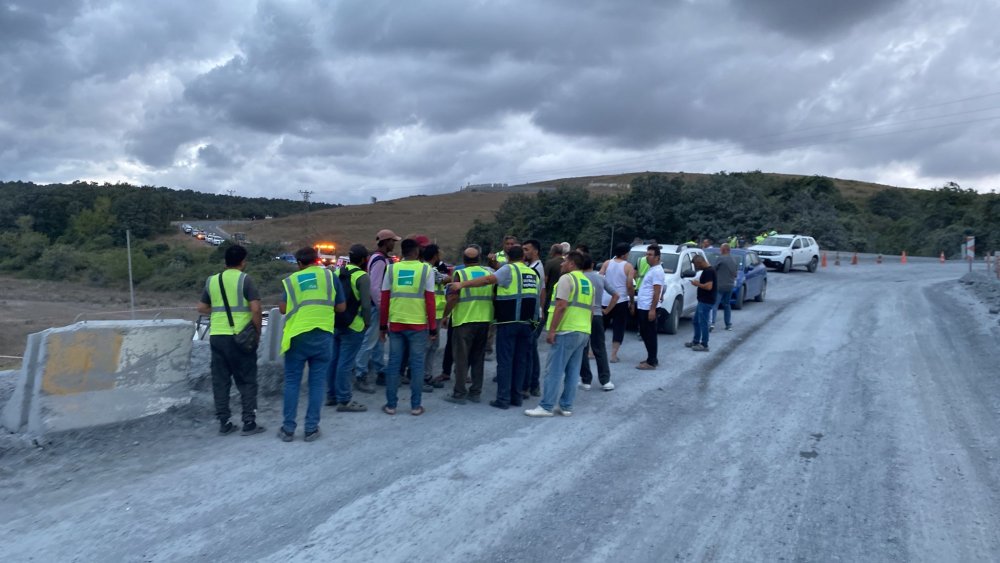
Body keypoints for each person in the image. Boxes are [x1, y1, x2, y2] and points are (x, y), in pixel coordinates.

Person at [450, 244, 539, 409]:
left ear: (508, 258)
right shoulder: (532, 273)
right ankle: (516, 397)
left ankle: (503, 399)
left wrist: (462, 285)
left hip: (508, 322)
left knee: (505, 361)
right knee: (520, 361)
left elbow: (487, 280)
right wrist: (535, 322)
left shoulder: (509, 270)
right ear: (523, 257)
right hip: (527, 323)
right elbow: (537, 297)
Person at [278, 246, 346, 442]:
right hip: (323, 335)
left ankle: (288, 429)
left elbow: (282, 309)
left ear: (299, 263)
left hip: (297, 336)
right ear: (317, 260)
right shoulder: (330, 277)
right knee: (317, 384)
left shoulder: (291, 281)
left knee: (292, 382)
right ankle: (311, 429)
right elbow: (341, 307)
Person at [197, 244, 265, 436]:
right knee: (247, 380)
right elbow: (256, 309)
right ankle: (249, 422)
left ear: (225, 261)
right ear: (243, 262)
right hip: (240, 337)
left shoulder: (212, 280)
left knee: (220, 380)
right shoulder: (245, 280)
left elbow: (201, 307)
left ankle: (224, 422)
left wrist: (218, 312)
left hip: (217, 336)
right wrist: (257, 333)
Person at [525, 250, 592, 417]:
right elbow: (590, 310)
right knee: (573, 370)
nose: (561, 264)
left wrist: (552, 330)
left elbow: (561, 306)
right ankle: (566, 406)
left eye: (564, 262)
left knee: (554, 370)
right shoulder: (586, 282)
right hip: (583, 330)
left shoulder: (566, 279)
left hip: (566, 330)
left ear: (571, 264)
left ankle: (546, 406)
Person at [379, 239, 437, 416]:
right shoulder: (426, 270)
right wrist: (433, 328)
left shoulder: (392, 269)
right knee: (417, 365)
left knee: (394, 364)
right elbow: (430, 300)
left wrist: (382, 326)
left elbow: (385, 299)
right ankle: (415, 406)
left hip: (396, 323)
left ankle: (391, 405)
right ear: (417, 251)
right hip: (418, 325)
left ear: (402, 251)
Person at [441, 247, 493, 404]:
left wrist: (445, 315)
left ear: (463, 260)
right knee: (478, 357)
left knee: (461, 358)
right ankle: (475, 392)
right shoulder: (488, 274)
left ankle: (459, 393)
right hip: (484, 320)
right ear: (480, 258)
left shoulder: (460, 274)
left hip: (464, 321)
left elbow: (452, 298)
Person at [326, 244, 372, 412]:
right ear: (364, 259)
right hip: (354, 325)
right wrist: (367, 322)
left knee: (334, 360)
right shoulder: (362, 277)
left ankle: (331, 395)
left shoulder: (337, 273)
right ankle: (344, 400)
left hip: (336, 323)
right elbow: (366, 305)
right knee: (346, 363)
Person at [355, 229, 399, 390]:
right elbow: (375, 287)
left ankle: (380, 371)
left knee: (378, 341)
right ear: (386, 241)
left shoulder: (379, 258)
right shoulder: (380, 260)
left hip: (376, 306)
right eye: (392, 241)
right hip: (377, 307)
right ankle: (360, 374)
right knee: (370, 342)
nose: (394, 244)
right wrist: (383, 307)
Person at [580, 254, 619, 391]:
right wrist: (607, 310)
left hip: (582, 316)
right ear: (592, 264)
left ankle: (586, 380)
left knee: (582, 349)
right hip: (597, 315)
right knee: (599, 348)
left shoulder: (578, 278)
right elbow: (616, 295)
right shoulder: (600, 278)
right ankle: (605, 380)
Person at [599, 242, 635, 363]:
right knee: (618, 327)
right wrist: (632, 301)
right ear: (625, 254)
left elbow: (600, 278)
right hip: (621, 300)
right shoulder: (629, 267)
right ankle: (613, 355)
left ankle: (591, 351)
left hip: (605, 299)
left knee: (601, 326)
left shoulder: (607, 263)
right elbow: (630, 285)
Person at [632, 245, 663, 370]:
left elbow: (657, 291)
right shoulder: (652, 269)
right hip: (644, 306)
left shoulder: (657, 271)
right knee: (645, 333)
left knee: (649, 334)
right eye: (647, 254)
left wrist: (652, 309)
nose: (647, 257)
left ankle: (651, 361)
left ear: (657, 257)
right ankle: (651, 357)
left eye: (650, 255)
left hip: (648, 308)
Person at [521, 239, 546, 398]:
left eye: (527, 249)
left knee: (529, 351)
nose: (524, 252)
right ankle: (533, 384)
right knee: (532, 350)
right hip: (536, 312)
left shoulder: (535, 269)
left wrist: (538, 312)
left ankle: (530, 385)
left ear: (535, 251)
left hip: (532, 314)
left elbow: (538, 292)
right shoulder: (533, 267)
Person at [686, 255, 716, 352]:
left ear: (699, 262)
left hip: (706, 301)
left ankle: (704, 344)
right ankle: (696, 341)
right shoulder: (707, 271)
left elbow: (709, 287)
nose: (696, 268)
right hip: (702, 300)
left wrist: (697, 284)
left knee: (703, 322)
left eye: (696, 265)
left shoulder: (708, 271)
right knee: (696, 321)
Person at [710, 243, 738, 331]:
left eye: (721, 249)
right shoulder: (734, 259)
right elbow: (735, 273)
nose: (720, 251)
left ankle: (712, 323)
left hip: (720, 285)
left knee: (714, 305)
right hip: (730, 285)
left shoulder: (721, 258)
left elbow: (713, 269)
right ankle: (728, 325)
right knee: (727, 304)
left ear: (725, 250)